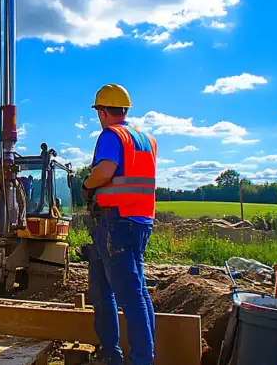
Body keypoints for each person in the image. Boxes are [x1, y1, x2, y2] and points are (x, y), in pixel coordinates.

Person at [81, 84, 157, 365]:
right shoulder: (146, 139)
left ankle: (141, 360)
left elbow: (105, 171)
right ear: (124, 109)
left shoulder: (111, 135)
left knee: (131, 295)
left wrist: (87, 185)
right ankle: (110, 354)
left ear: (102, 112)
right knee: (105, 289)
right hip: (138, 222)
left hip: (117, 223)